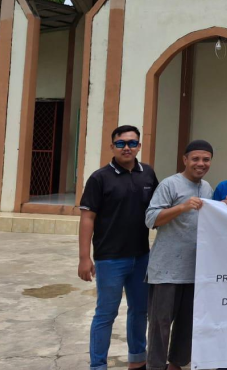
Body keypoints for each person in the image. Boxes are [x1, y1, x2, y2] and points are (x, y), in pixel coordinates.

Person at [78, 125, 158, 370]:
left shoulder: (148, 174)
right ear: (112, 146)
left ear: (139, 146)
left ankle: (137, 360)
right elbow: (88, 217)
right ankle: (98, 365)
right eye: (121, 143)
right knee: (105, 314)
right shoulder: (99, 178)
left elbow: (159, 210)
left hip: (141, 257)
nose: (127, 147)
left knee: (139, 311)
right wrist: (84, 258)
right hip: (110, 258)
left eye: (132, 143)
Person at [144, 140, 215, 370]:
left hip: (194, 270)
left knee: (187, 326)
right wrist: (182, 207)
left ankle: (176, 365)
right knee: (160, 326)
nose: (200, 164)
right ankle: (155, 366)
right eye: (195, 159)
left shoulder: (207, 188)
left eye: (205, 159)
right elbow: (151, 219)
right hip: (166, 271)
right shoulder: (169, 185)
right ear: (185, 160)